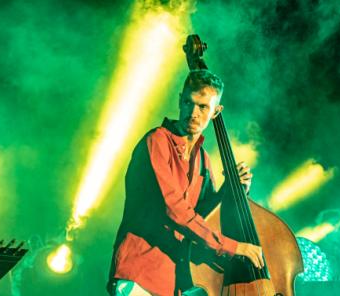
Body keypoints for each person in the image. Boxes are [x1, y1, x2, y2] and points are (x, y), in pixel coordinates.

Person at [107, 70, 264, 296]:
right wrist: (234, 247)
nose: (193, 113)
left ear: (216, 112)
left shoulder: (202, 159)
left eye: (203, 107)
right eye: (188, 103)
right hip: (140, 273)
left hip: (175, 280)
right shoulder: (157, 141)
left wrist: (231, 190)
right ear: (180, 100)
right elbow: (175, 209)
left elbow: (205, 214)